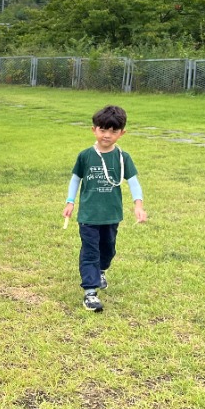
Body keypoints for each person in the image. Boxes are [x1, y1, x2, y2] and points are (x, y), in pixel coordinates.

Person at [63, 105, 147, 312]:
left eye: (113, 131)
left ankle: (101, 270)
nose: (107, 135)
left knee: (108, 249)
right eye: (103, 130)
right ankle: (90, 292)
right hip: (89, 215)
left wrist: (138, 205)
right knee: (90, 251)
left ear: (122, 133)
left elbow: (133, 182)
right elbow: (76, 179)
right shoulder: (85, 156)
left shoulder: (122, 157)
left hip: (111, 215)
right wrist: (70, 201)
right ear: (94, 130)